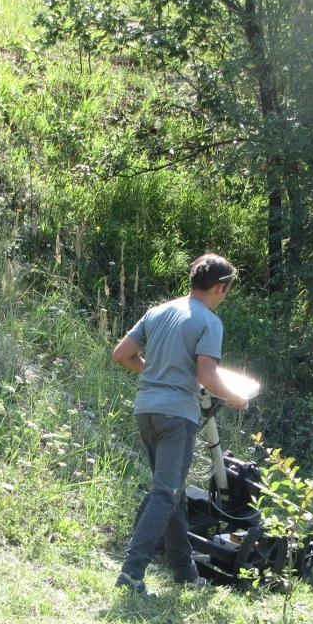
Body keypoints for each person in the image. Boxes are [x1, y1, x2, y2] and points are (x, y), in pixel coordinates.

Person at [111, 253, 248, 595]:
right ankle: (131, 574)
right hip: (177, 416)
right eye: (226, 291)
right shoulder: (209, 322)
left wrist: (156, 371)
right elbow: (207, 374)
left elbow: (121, 355)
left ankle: (185, 573)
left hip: (146, 410)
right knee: (165, 492)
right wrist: (235, 396)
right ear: (220, 287)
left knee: (173, 492)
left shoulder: (158, 312)